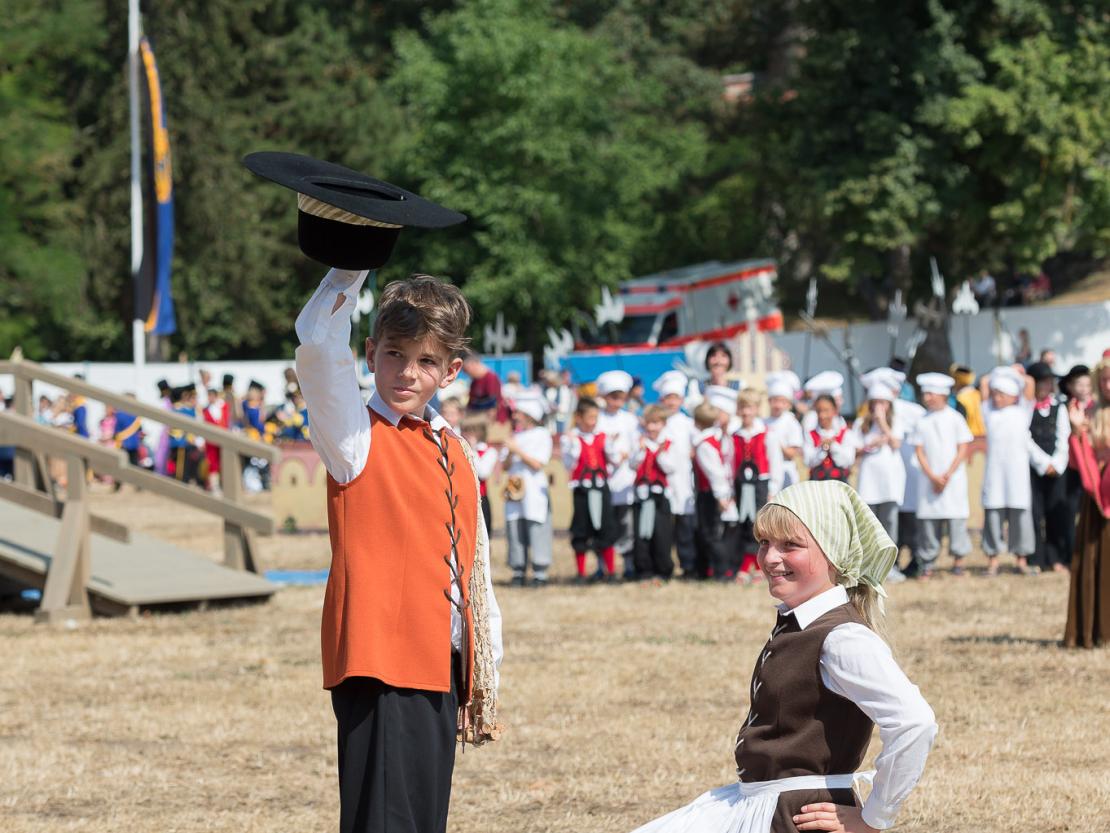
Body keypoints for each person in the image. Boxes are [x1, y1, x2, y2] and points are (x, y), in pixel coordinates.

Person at [296, 270, 503, 832]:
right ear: (370, 354)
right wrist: (351, 264)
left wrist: (482, 661)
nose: (408, 371)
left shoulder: (453, 445)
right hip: (379, 664)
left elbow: (474, 566)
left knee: (423, 821)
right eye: (394, 354)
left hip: (439, 665)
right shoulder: (353, 436)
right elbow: (318, 346)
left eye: (426, 360)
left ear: (451, 371)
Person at [631, 480, 937, 833]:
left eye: (790, 545)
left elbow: (914, 722)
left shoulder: (843, 638)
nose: (770, 558)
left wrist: (874, 817)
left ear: (832, 551)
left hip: (798, 817)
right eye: (764, 542)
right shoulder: (800, 625)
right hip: (762, 805)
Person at [1064, 356, 1110, 648]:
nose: (1109, 385)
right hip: (1097, 499)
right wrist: (1076, 433)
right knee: (1094, 561)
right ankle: (1096, 629)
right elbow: (1077, 462)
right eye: (1104, 380)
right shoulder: (1089, 414)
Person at [910, 373, 973, 578]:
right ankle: (928, 562)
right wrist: (932, 476)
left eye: (931, 394)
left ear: (942, 395)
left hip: (952, 480)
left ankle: (959, 561)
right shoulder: (922, 420)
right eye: (925, 394)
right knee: (929, 523)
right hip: (929, 479)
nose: (927, 398)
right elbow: (919, 450)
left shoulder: (956, 418)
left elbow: (963, 448)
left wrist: (947, 475)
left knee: (956, 520)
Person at [980, 365, 1037, 575]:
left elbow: (1030, 383)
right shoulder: (989, 412)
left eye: (1002, 394)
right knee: (993, 515)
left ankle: (1021, 559)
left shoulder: (1022, 411)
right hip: (994, 474)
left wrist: (1015, 373)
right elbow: (984, 382)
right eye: (995, 394)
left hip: (1017, 474)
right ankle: (993, 559)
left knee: (1020, 515)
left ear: (1014, 396)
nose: (997, 398)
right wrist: (999, 372)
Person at [562, 397, 624, 582]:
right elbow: (569, 464)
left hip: (601, 487)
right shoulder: (571, 438)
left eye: (595, 417)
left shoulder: (602, 436)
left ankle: (609, 570)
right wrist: (572, 445)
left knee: (606, 527)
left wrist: (612, 445)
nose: (593, 421)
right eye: (590, 417)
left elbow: (614, 460)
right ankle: (581, 572)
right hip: (582, 489)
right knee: (581, 528)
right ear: (579, 417)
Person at [501, 390, 553, 587]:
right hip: (515, 487)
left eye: (518, 413)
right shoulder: (515, 435)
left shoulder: (541, 435)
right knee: (515, 526)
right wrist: (509, 453)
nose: (515, 417)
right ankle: (518, 569)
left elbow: (537, 464)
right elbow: (505, 466)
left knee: (536, 525)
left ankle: (540, 571)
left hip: (533, 489)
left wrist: (516, 450)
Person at [733, 389, 784, 580]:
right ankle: (746, 563)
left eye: (750, 407)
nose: (746, 412)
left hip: (760, 483)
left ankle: (759, 564)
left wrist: (773, 489)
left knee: (760, 524)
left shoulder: (766, 434)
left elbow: (775, 462)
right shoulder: (735, 435)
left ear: (756, 409)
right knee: (744, 522)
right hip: (741, 484)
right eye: (742, 407)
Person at [1026, 362, 1071, 573]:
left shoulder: (1059, 407)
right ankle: (1036, 557)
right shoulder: (1026, 408)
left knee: (1055, 513)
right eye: (1042, 382)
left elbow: (1064, 437)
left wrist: (1056, 464)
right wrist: (1043, 463)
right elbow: (1025, 438)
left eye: (1049, 382)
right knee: (1035, 513)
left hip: (1057, 468)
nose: (1046, 386)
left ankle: (1056, 557)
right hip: (1034, 468)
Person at [655, 371, 699, 578]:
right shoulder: (657, 423)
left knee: (685, 527)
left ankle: (688, 564)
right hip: (663, 481)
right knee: (664, 528)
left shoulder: (688, 423)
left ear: (681, 400)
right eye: (668, 397)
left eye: (675, 398)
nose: (671, 402)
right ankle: (663, 565)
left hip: (684, 481)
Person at [596, 370, 640, 577]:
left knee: (625, 524)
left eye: (620, 397)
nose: (616, 402)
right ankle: (603, 565)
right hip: (602, 479)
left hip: (624, 480)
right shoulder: (597, 419)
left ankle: (628, 563)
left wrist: (627, 455)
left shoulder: (630, 420)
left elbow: (636, 446)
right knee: (602, 524)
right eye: (612, 397)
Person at [693, 388, 740, 580]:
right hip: (719, 492)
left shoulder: (705, 444)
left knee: (712, 533)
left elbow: (715, 473)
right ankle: (719, 569)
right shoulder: (717, 439)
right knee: (716, 532)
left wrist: (722, 495)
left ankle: (722, 570)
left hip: (710, 494)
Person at [852, 386, 906, 552]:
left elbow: (896, 443)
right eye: (875, 403)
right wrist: (870, 445)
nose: (879, 407)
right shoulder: (861, 423)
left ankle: (890, 558)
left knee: (889, 520)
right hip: (869, 478)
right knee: (869, 521)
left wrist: (882, 423)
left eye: (883, 403)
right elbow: (855, 451)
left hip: (890, 479)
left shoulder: (896, 421)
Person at [630, 405, 677, 581]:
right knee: (642, 534)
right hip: (642, 495)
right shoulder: (640, 442)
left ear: (663, 424)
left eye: (656, 423)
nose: (651, 428)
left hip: (660, 496)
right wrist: (641, 451)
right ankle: (644, 570)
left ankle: (663, 570)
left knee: (661, 534)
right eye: (649, 423)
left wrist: (660, 454)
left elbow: (671, 468)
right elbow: (633, 465)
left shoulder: (668, 443)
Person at [765, 372, 804, 489]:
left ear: (788, 404)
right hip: (767, 471)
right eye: (775, 400)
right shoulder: (763, 422)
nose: (778, 405)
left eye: (782, 401)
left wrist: (776, 444)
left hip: (785, 470)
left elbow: (792, 453)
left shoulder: (791, 422)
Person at [803, 395, 855, 482]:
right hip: (817, 483)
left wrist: (833, 446)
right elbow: (808, 461)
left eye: (826, 410)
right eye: (819, 411)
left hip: (840, 482)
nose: (822, 415)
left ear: (834, 410)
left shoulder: (845, 433)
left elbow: (848, 461)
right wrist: (821, 449)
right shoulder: (811, 434)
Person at [461, 417, 497, 535]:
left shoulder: (489, 451)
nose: (465, 434)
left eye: (469, 431)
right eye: (464, 430)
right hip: (462, 498)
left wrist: (472, 449)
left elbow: (483, 473)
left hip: (480, 499)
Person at [462, 352, 505, 422]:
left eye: (466, 370)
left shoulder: (490, 378)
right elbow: (471, 402)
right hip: (479, 419)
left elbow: (493, 406)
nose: (465, 373)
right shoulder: (474, 381)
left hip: (493, 422)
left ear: (474, 365)